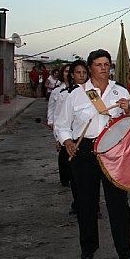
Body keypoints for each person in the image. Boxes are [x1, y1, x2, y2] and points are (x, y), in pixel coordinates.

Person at [54, 49, 130, 259]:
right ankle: (88, 246)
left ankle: (125, 249)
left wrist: (128, 110)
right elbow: (62, 125)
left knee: (118, 203)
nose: (103, 68)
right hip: (84, 151)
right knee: (86, 202)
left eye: (106, 64)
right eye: (99, 64)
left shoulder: (120, 91)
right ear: (90, 67)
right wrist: (68, 142)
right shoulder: (76, 94)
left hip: (113, 151)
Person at [55, 60, 90, 215]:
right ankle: (78, 202)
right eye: (78, 72)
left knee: (90, 177)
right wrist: (60, 138)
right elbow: (58, 118)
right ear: (71, 75)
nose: (81, 76)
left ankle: (93, 205)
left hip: (86, 138)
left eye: (84, 73)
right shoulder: (63, 94)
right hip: (70, 139)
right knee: (75, 176)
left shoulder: (92, 93)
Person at [47, 64, 71, 185]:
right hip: (61, 125)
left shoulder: (80, 90)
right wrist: (51, 122)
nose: (68, 73)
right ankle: (65, 178)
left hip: (75, 126)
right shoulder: (57, 91)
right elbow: (52, 109)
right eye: (66, 71)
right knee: (63, 152)